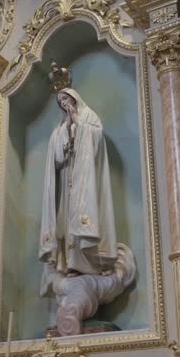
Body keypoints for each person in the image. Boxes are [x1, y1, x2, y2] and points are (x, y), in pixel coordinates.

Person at [39, 87, 117, 296]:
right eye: (61, 101)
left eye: (66, 99)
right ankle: (73, 264)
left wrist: (79, 125)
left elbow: (98, 137)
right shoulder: (61, 127)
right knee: (67, 223)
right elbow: (56, 156)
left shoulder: (89, 117)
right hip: (68, 180)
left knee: (88, 217)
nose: (64, 103)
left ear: (74, 99)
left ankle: (97, 263)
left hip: (88, 180)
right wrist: (65, 133)